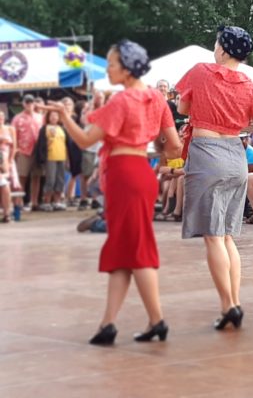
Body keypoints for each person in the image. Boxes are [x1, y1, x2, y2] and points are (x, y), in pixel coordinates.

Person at [40, 40, 181, 346]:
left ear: (127, 68)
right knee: (124, 248)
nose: (107, 69)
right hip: (143, 172)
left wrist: (63, 115)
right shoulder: (156, 98)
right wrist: (150, 144)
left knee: (135, 248)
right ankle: (109, 323)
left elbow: (84, 140)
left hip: (123, 174)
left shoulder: (122, 100)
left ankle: (157, 320)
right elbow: (173, 146)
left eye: (112, 64)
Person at [176, 26, 253, 331]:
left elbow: (182, 106)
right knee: (226, 236)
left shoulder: (200, 71)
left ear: (223, 49)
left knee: (213, 236)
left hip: (206, 153)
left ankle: (228, 306)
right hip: (236, 156)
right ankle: (234, 301)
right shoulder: (251, 86)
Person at [12, 95, 43, 210]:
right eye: (27, 102)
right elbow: (13, 135)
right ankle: (18, 202)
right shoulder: (17, 118)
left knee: (37, 176)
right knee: (22, 177)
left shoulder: (40, 117)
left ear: (34, 104)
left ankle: (34, 202)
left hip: (37, 151)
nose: (29, 105)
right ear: (23, 104)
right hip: (23, 150)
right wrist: (15, 150)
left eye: (31, 102)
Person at [35, 110, 68, 211]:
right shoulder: (44, 128)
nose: (54, 117)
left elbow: (66, 143)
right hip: (50, 157)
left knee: (60, 180)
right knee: (50, 180)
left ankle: (57, 201)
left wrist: (68, 158)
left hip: (62, 157)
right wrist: (51, 138)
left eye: (56, 115)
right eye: (52, 115)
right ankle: (47, 201)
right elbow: (41, 145)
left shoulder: (62, 128)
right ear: (48, 117)